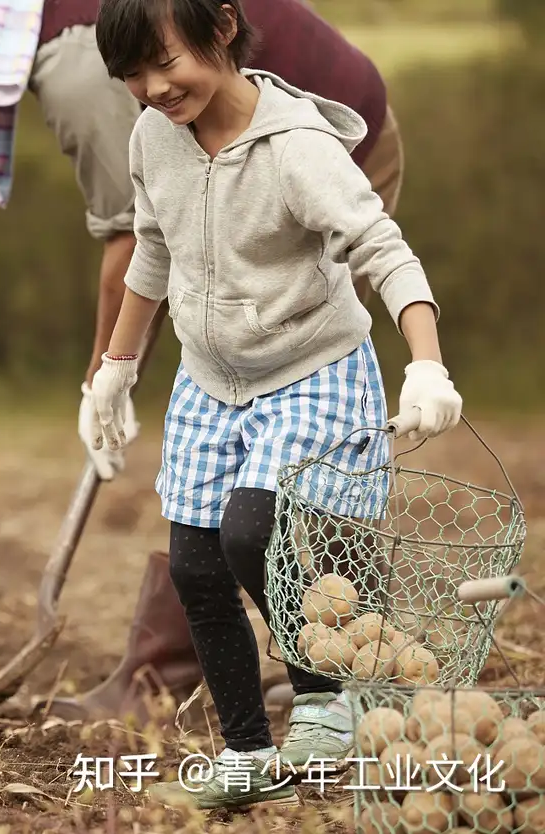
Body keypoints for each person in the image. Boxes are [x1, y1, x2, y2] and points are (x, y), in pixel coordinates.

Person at [0, 0, 408, 728]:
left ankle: (264, 668)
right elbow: (159, 235)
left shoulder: (73, 58)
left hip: (329, 153)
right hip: (242, 164)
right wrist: (115, 372)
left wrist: (104, 371)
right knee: (228, 451)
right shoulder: (73, 49)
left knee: (291, 420)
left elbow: (135, 240)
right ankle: (301, 655)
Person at [86, 0, 461, 809]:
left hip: (310, 366)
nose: (154, 88)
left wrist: (425, 365)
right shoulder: (153, 137)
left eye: (165, 62)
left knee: (254, 529)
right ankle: (250, 753)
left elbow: (384, 251)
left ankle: (327, 696)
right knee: (194, 562)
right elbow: (153, 250)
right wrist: (115, 370)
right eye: (132, 77)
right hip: (211, 378)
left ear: (221, 28)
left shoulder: (296, 147)